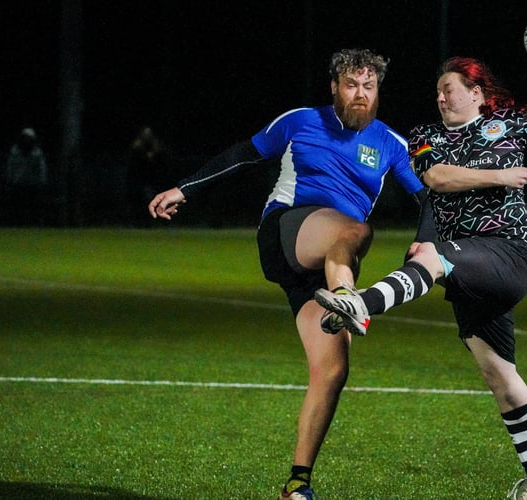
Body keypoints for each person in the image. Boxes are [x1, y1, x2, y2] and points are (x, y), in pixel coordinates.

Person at [148, 49, 430, 500]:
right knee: (356, 229)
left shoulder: (391, 144)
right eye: (351, 85)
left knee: (333, 368)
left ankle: (297, 484)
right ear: (334, 88)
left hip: (322, 265)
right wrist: (186, 188)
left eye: (369, 86)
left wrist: (430, 239)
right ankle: (347, 295)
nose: (360, 93)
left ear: (378, 93)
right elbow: (245, 154)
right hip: (288, 230)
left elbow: (429, 201)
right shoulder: (301, 120)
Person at [315, 56, 527, 500]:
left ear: (476, 93)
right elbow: (437, 179)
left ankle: (359, 304)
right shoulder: (425, 136)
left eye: (449, 89)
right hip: (461, 261)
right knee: (499, 374)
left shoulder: (514, 124)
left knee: (435, 260)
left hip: (506, 253)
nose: (440, 97)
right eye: (437, 91)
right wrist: (499, 176)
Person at [3, 127, 50, 226]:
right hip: (18, 184)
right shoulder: (14, 152)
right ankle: (17, 224)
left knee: (33, 207)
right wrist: (9, 180)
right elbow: (10, 167)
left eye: (29, 138)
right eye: (25, 138)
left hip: (33, 185)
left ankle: (34, 224)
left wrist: (42, 182)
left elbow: (42, 169)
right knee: (17, 207)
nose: (27, 140)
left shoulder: (37, 153)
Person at [126, 126, 170, 226]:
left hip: (151, 180)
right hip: (137, 180)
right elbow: (133, 166)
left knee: (151, 201)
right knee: (137, 202)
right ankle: (136, 222)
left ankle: (151, 222)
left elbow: (162, 163)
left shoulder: (156, 148)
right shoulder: (137, 148)